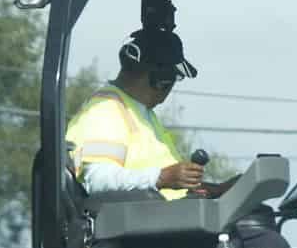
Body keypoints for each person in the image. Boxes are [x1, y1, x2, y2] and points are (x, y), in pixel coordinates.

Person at [66, 27, 217, 199]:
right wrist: (162, 177)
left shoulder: (141, 113)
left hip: (165, 219)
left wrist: (217, 190)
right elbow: (98, 179)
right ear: (162, 80)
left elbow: (169, 185)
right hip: (141, 223)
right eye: (175, 78)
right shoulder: (106, 111)